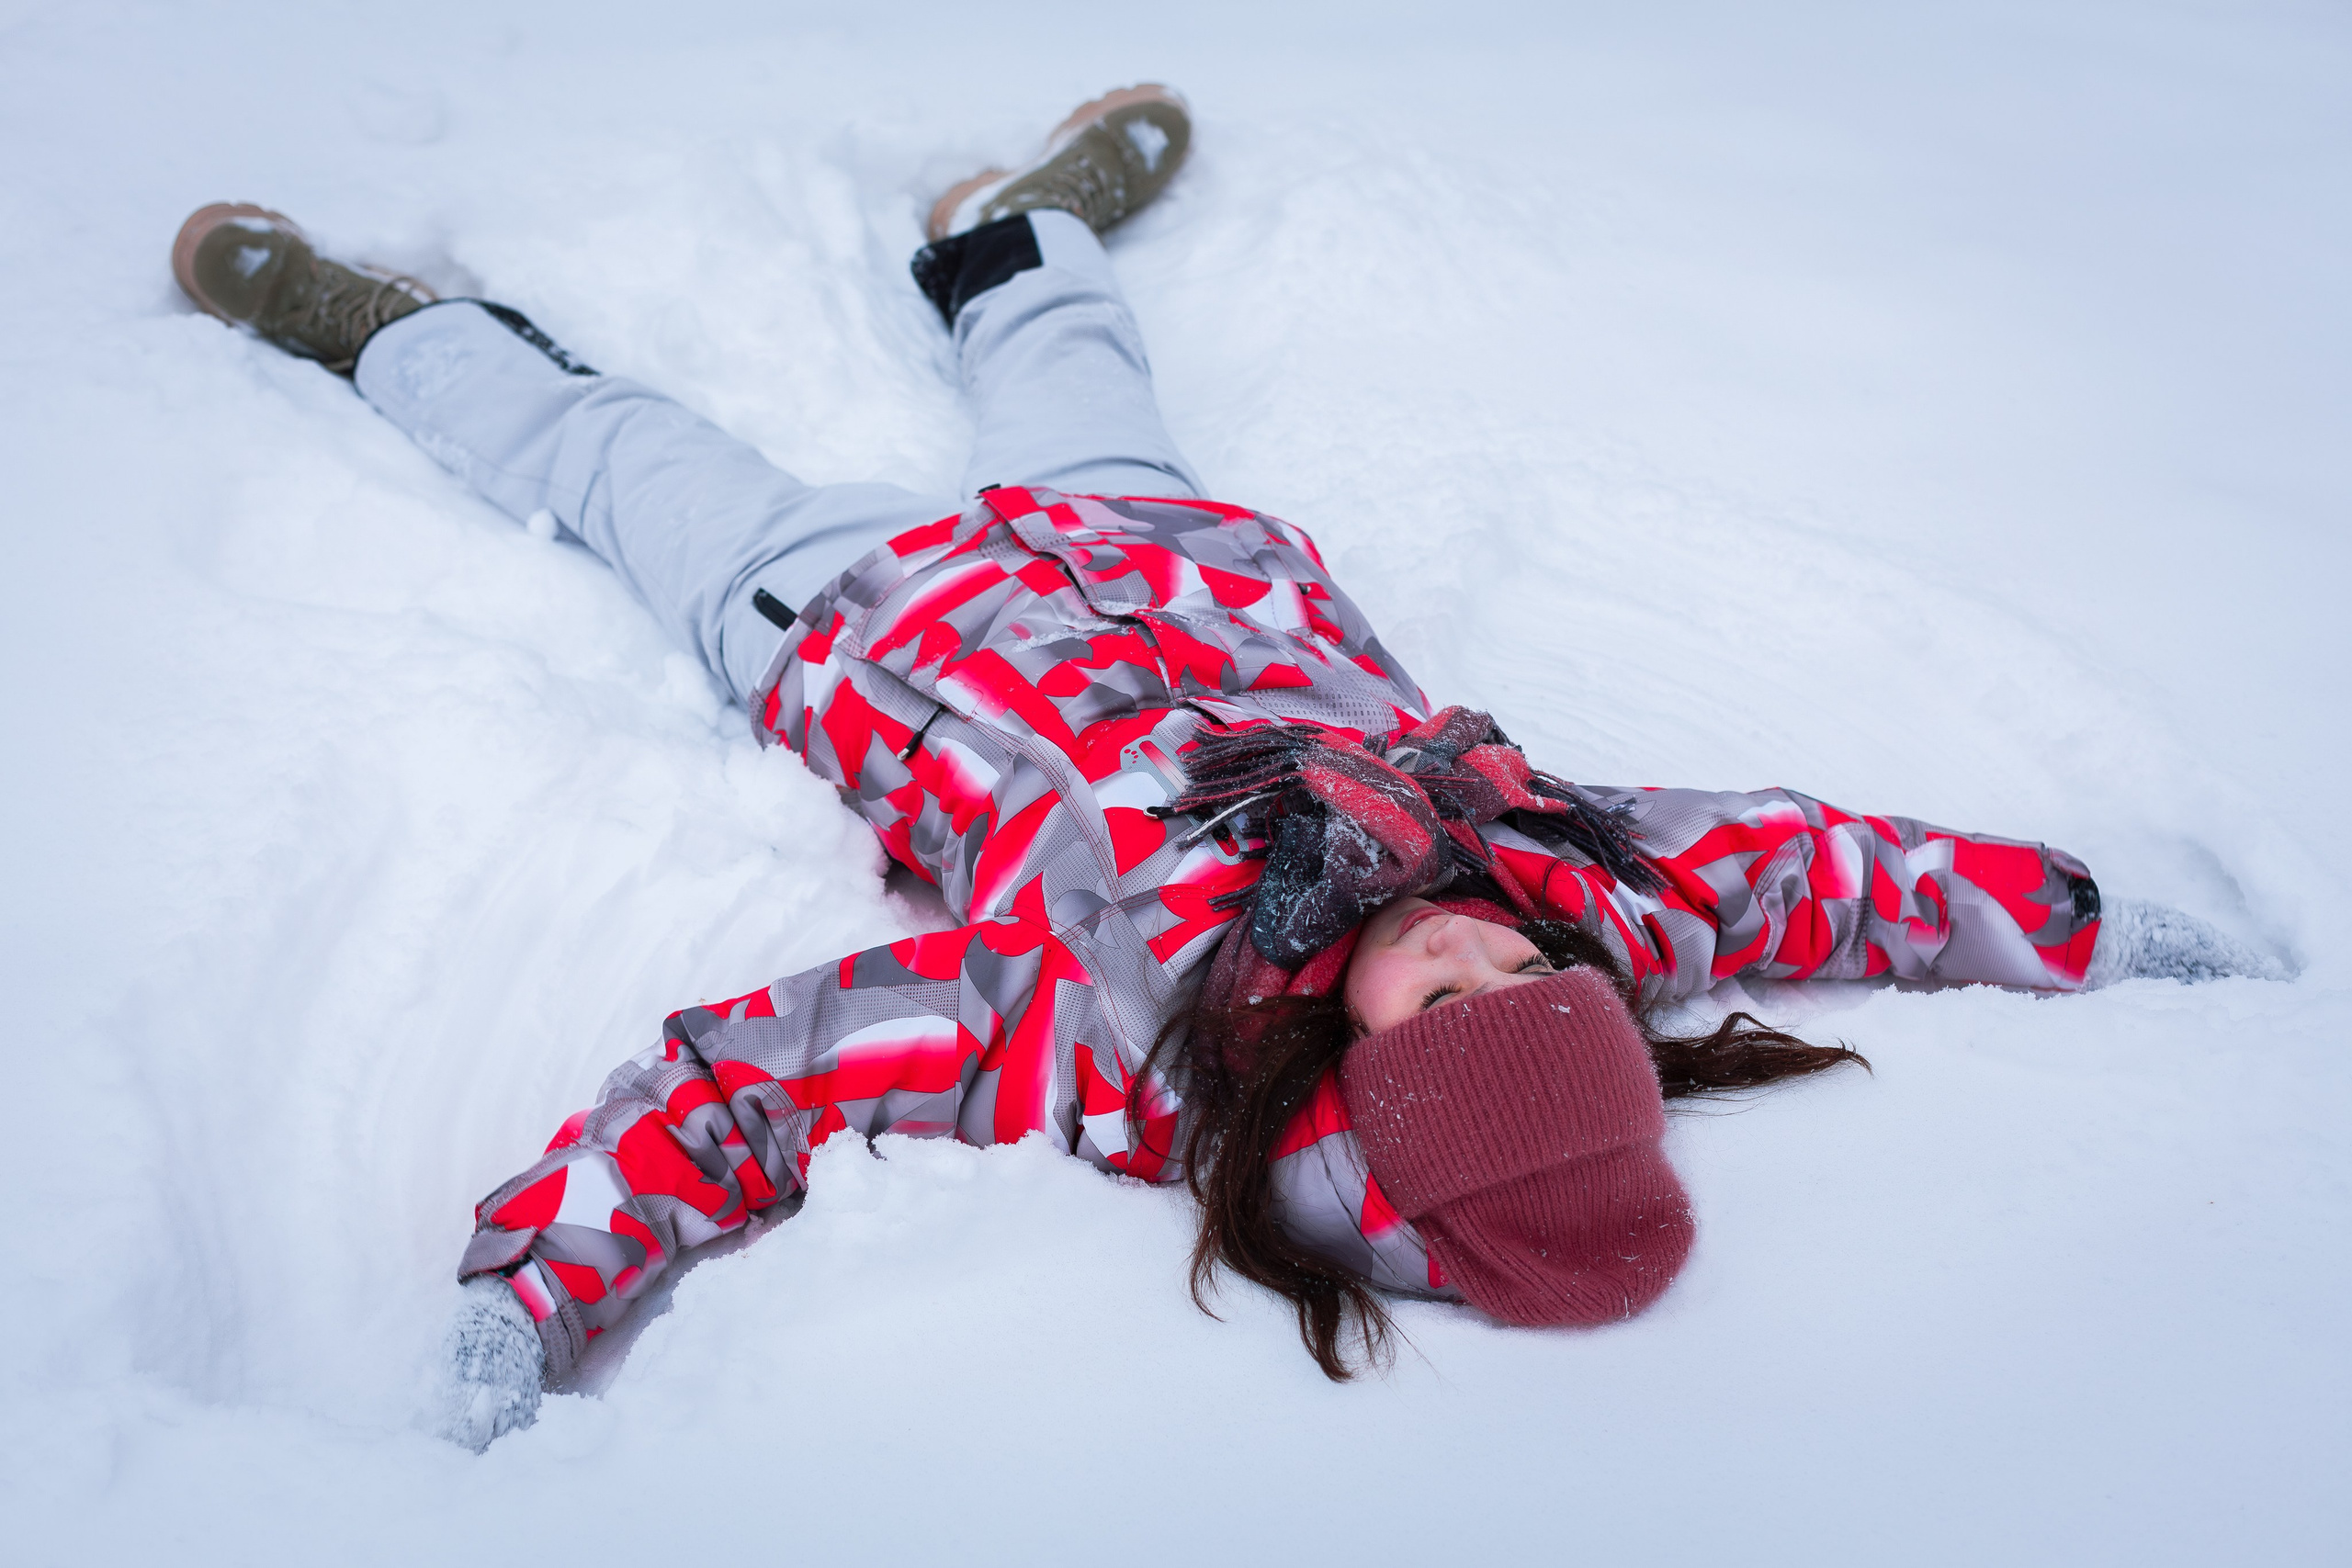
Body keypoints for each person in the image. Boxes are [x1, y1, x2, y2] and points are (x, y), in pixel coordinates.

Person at [169, 85, 2280, 1451]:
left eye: (1452, 1001)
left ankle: (392, 330)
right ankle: (1008, 229)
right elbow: (1846, 874)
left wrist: (530, 1294)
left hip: (859, 630)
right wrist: (2084, 925)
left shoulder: (1104, 1039)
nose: (1480, 944)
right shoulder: (1580, 885)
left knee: (624, 461)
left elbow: (761, 1076)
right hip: (1181, 563)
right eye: (1536, 980)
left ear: (1348, 1071)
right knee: (1076, 366)